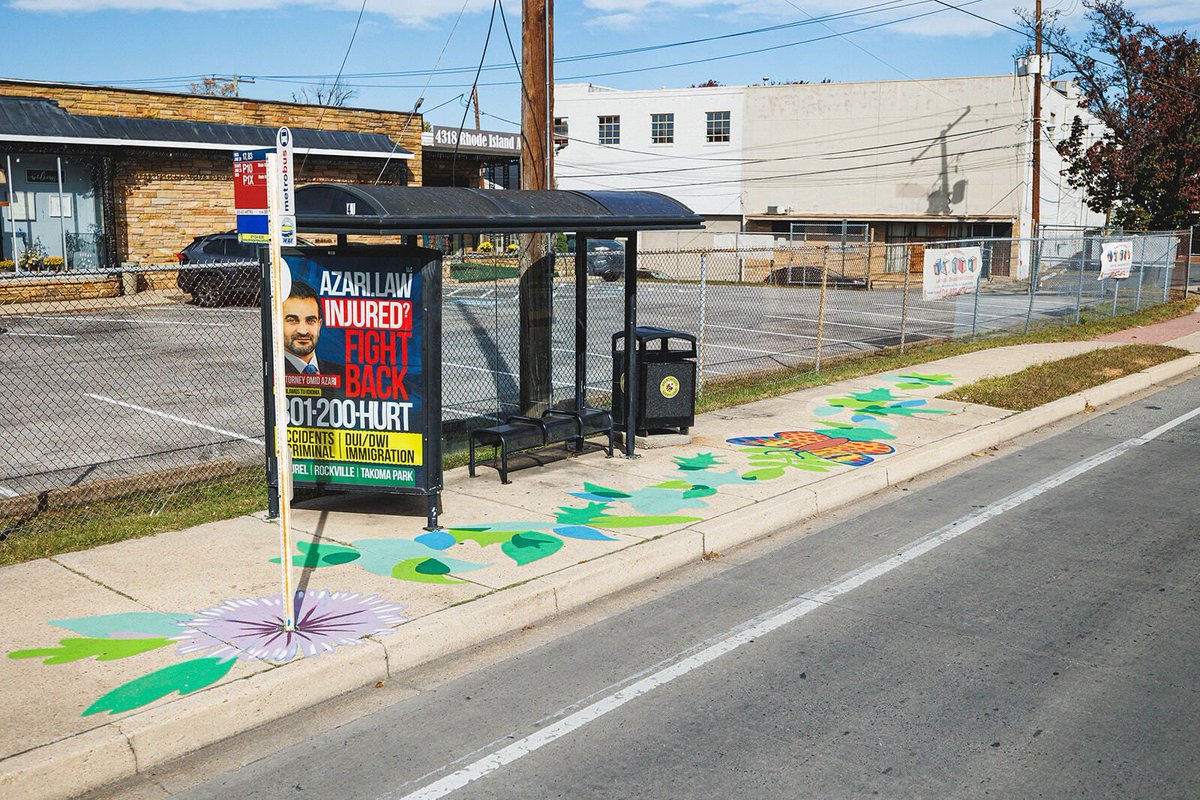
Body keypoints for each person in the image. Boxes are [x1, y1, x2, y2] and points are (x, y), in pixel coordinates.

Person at [282, 280, 344, 388]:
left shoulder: (343, 375)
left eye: (310, 321)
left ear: (319, 325)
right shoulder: (276, 373)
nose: (303, 331)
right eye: (293, 320)